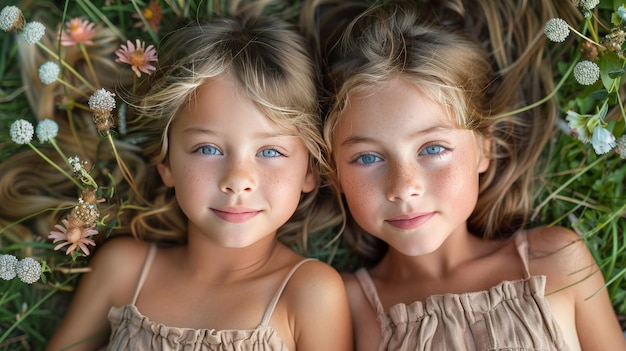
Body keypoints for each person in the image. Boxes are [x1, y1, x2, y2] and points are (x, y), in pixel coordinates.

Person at [308, 0, 626, 350]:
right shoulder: (343, 306)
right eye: (367, 157)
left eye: (432, 149)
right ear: (333, 171)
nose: (403, 187)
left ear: (484, 149)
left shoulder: (556, 260)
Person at [46, 10, 352, 351]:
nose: (238, 180)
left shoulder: (309, 293)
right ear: (166, 163)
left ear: (310, 170)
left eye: (270, 152)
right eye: (207, 148)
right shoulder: (123, 271)